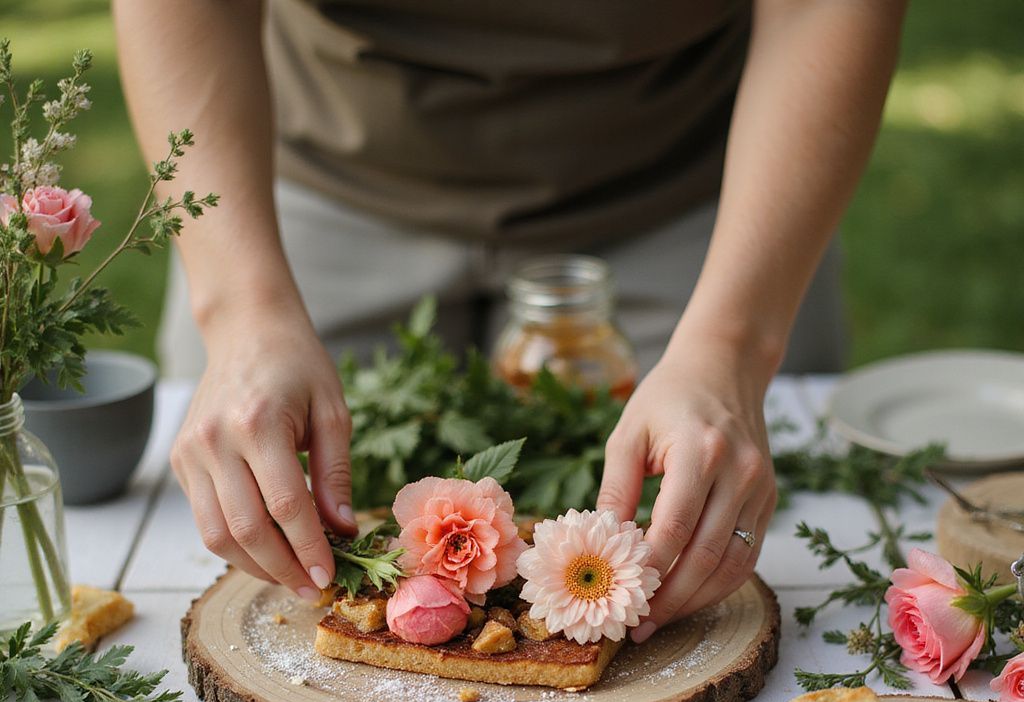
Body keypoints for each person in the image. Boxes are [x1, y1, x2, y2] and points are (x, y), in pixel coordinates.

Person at [113, 0, 906, 641]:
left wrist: (734, 347)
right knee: (251, 492)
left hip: (691, 192)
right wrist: (242, 313)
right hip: (321, 182)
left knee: (718, 514)